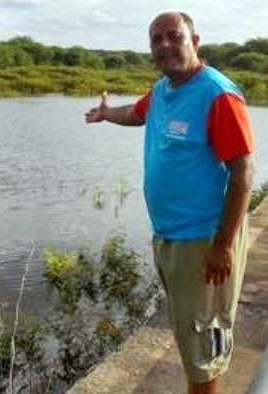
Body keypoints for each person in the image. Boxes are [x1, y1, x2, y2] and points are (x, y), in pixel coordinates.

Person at [84, 11, 255, 394]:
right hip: (170, 238)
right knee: (189, 333)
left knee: (204, 345)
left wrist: (223, 246)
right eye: (156, 39)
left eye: (173, 37)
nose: (164, 45)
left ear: (194, 41)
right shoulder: (163, 90)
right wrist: (107, 114)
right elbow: (137, 113)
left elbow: (244, 173)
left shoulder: (218, 95)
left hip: (204, 240)